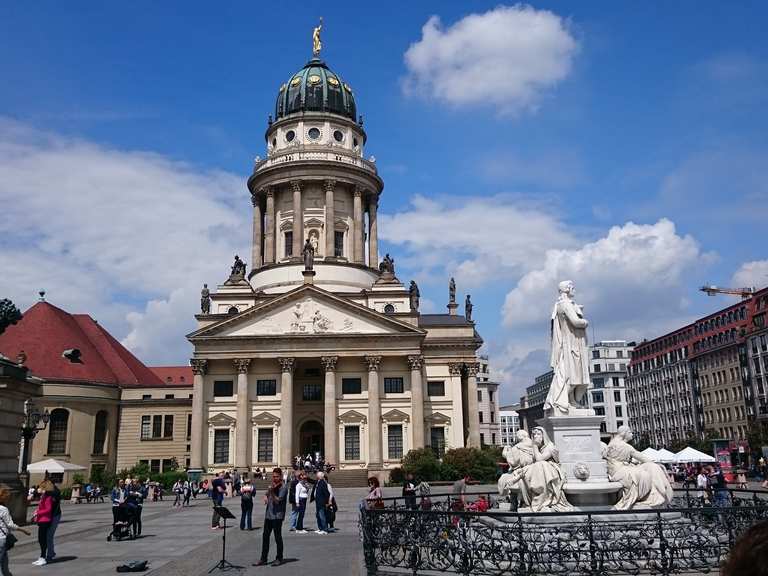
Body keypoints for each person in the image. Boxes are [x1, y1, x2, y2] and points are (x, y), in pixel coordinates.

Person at [254, 468, 287, 567]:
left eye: (276, 476)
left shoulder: (283, 488)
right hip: (268, 515)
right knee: (265, 537)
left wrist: (272, 492)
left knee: (277, 537)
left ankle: (279, 558)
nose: (275, 478)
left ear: (281, 476)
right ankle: (263, 559)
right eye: (273, 476)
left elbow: (278, 501)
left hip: (277, 516)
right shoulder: (272, 485)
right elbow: (267, 495)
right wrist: (266, 495)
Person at [0, 485, 31, 576]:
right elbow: (10, 524)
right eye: (7, 497)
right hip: (1, 539)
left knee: (4, 562)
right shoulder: (3, 509)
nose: (8, 499)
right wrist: (23, 530)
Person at [32, 479, 54, 566]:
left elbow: (48, 509)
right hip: (42, 520)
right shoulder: (44, 496)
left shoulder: (48, 498)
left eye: (41, 487)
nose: (39, 488)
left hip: (45, 520)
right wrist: (37, 512)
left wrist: (38, 512)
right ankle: (41, 557)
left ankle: (43, 557)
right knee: (41, 539)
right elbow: (42, 507)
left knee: (42, 539)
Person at [44, 480, 62, 562]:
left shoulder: (55, 492)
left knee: (49, 535)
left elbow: (53, 499)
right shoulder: (49, 492)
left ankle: (50, 554)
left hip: (54, 516)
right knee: (47, 536)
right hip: (50, 516)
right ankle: (51, 552)